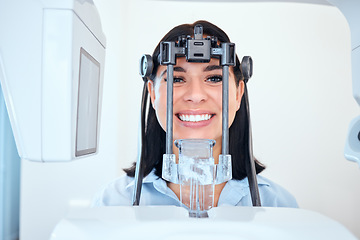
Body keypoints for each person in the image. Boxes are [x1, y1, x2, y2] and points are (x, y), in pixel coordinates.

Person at [92, 20, 298, 208]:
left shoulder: (278, 206)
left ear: (239, 93)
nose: (196, 95)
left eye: (215, 78)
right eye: (177, 79)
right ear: (152, 93)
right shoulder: (113, 203)